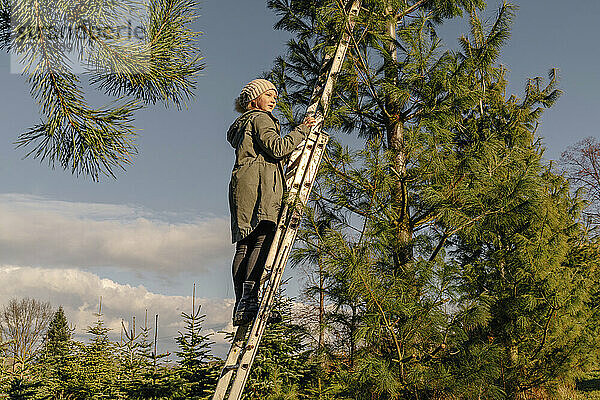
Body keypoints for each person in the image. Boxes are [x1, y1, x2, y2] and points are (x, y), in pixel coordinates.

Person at [227, 78, 316, 326]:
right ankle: (251, 300)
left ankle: (242, 305)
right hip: (259, 186)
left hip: (241, 185)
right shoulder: (260, 119)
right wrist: (302, 130)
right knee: (263, 238)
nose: (274, 99)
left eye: (274, 95)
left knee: (244, 244)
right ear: (253, 99)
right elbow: (277, 148)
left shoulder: (241, 125)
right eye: (268, 95)